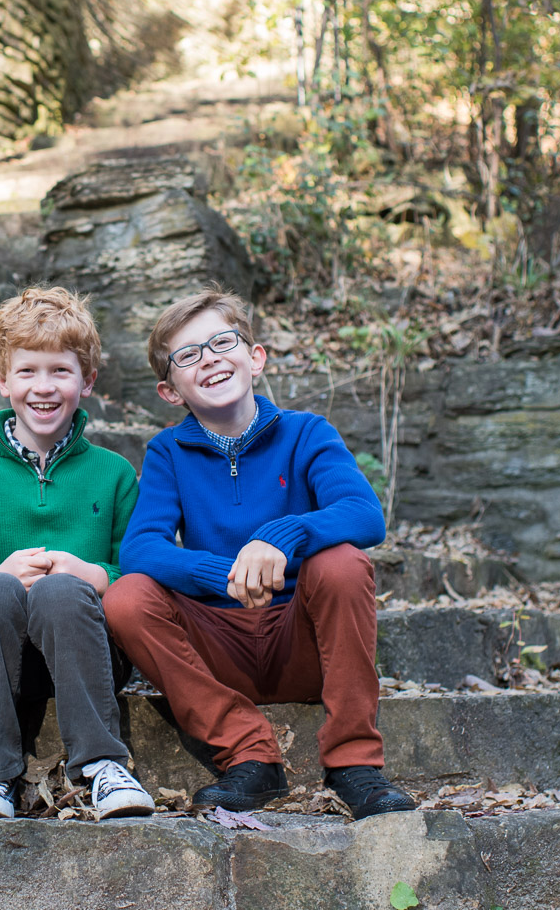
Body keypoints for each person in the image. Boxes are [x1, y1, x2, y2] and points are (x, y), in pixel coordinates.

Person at [102, 286, 416, 820]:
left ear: (255, 356)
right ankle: (249, 753)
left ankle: (353, 763)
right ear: (170, 390)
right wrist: (224, 572)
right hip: (217, 650)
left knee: (342, 563)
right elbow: (139, 549)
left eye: (222, 342)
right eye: (188, 355)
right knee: (127, 597)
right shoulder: (167, 453)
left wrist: (281, 536)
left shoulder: (306, 433)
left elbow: (365, 515)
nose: (210, 359)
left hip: (302, 642)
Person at [0, 287, 155, 821]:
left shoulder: (115, 473)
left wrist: (95, 573)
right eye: (28, 371)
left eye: (61, 371)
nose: (44, 387)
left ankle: (102, 763)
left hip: (90, 656)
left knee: (59, 588)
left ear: (88, 381)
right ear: (2, 380)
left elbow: (143, 572)